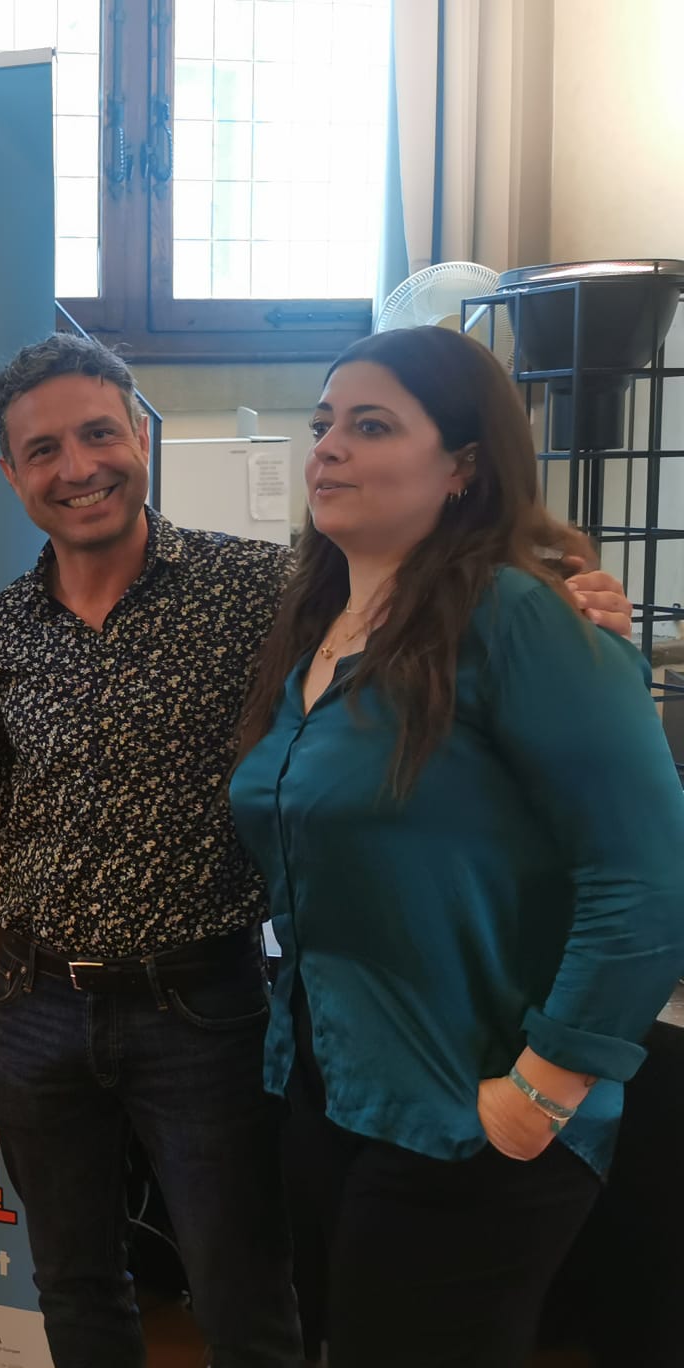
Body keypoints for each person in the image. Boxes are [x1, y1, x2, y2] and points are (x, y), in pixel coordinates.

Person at [0, 330, 633, 1368]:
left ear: (140, 438)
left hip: (205, 1009)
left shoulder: (269, 591)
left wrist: (568, 601)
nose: (77, 467)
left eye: (98, 434)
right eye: (43, 450)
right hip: (40, 1008)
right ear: (11, 475)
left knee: (246, 1294)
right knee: (73, 1285)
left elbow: (426, 596)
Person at [229, 325, 684, 1368]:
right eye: (324, 423)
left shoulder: (523, 617)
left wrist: (544, 1088)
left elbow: (647, 876)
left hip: (472, 1110)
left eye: (372, 425)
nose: (328, 447)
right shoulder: (313, 627)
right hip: (329, 1085)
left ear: (464, 466)